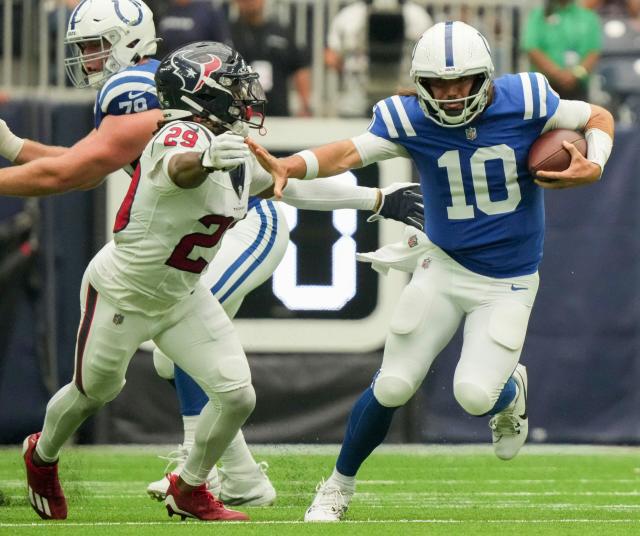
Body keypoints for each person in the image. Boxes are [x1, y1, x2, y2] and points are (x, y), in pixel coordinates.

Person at [18, 39, 424, 522]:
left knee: (237, 395)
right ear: (199, 94)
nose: (246, 92)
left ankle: (189, 487)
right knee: (93, 392)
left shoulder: (229, 144)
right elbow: (179, 169)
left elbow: (288, 185)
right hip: (124, 290)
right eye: (232, 86)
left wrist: (378, 199)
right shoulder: (180, 138)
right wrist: (208, 160)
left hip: (181, 295)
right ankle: (41, 456)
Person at [248, 20, 615, 521]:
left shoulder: (527, 97)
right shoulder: (408, 117)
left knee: (473, 395)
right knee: (394, 383)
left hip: (507, 281)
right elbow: (349, 152)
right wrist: (295, 164)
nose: (447, 94)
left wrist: (594, 161)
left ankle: (511, 393)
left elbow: (598, 114)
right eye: (437, 84)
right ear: (419, 82)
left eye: (459, 82)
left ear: (483, 77)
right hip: (441, 264)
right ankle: (337, 487)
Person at [325, 0, 431, 117]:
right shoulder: (419, 16)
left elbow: (331, 58)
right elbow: (331, 57)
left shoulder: (347, 16)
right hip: (357, 100)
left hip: (402, 101)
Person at [230, 0, 311, 116]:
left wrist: (305, 106)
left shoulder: (281, 32)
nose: (250, 3)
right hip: (239, 113)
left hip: (278, 112)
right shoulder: (227, 33)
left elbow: (300, 68)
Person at [522, 0, 602, 100]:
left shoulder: (588, 17)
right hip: (544, 88)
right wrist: (557, 74)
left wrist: (575, 75)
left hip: (578, 89)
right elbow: (531, 48)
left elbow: (593, 52)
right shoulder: (538, 15)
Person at [156, 0, 233, 59]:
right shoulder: (162, 8)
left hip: (198, 67)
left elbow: (223, 47)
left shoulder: (208, 10)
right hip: (165, 65)